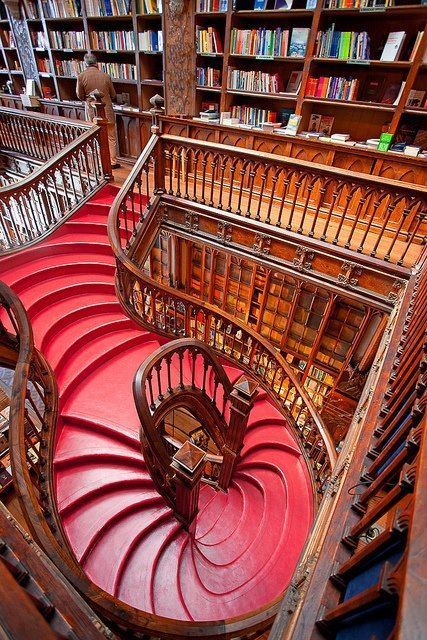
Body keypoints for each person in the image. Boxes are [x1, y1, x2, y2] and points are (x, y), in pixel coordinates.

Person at [76, 53, 120, 169]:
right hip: (107, 111)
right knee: (111, 137)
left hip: (93, 111)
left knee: (95, 137)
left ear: (85, 64)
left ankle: (100, 163)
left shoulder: (81, 76)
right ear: (97, 63)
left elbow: (79, 95)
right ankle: (113, 162)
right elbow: (113, 94)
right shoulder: (106, 75)